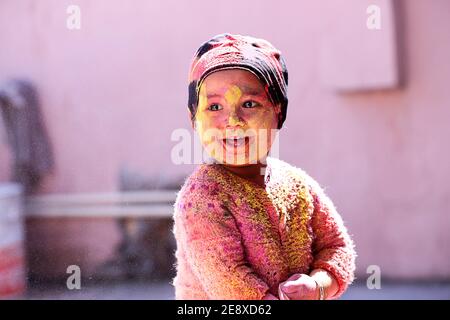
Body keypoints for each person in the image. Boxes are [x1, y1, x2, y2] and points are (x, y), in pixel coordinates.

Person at [172, 33, 356, 300]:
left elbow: (337, 247)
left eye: (249, 104)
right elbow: (229, 282)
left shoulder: (297, 185)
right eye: (214, 106)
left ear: (278, 111)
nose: (232, 120)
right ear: (194, 118)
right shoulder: (202, 197)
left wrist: (317, 287)